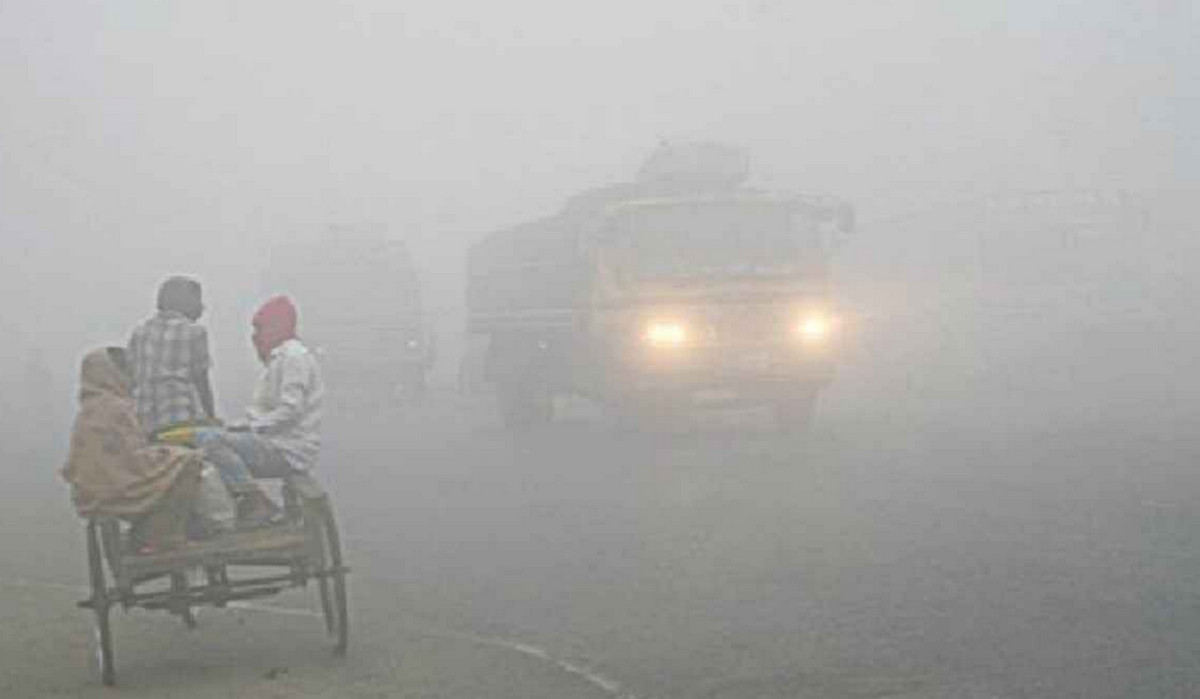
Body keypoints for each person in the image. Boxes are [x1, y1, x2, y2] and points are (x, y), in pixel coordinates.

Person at [61, 348, 203, 553]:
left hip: (93, 492)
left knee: (172, 460)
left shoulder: (89, 410)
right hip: (117, 488)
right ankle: (165, 535)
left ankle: (148, 531)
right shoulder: (115, 407)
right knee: (189, 461)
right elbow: (134, 460)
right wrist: (172, 453)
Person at [200, 296, 325, 524]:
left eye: (260, 328)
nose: (255, 336)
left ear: (276, 327)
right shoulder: (281, 358)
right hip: (277, 443)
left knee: (209, 440)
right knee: (211, 443)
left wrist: (252, 427)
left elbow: (291, 409)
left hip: (287, 450)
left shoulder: (293, 358)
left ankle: (254, 502)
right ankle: (243, 505)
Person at [127, 276, 217, 437]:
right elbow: (201, 381)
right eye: (198, 301)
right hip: (179, 419)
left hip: (142, 421)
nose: (203, 307)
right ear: (185, 303)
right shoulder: (195, 332)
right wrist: (211, 418)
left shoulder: (139, 332)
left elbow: (131, 379)